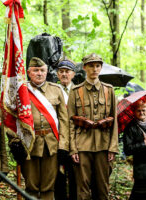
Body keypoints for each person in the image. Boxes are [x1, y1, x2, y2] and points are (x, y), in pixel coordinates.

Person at [68, 53, 118, 199]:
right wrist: (73, 149)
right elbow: (70, 122)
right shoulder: (76, 91)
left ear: (101, 68)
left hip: (104, 145)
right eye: (91, 66)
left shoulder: (109, 90)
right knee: (82, 189)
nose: (94, 69)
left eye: (97, 66)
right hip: (82, 145)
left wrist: (113, 148)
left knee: (102, 189)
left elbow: (114, 121)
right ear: (84, 68)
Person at [23, 57, 69, 199]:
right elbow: (13, 118)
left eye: (42, 70)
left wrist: (63, 145)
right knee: (31, 185)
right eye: (35, 70)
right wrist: (15, 142)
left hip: (52, 144)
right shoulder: (22, 91)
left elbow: (64, 120)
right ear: (29, 72)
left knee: (48, 186)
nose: (39, 73)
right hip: (29, 144)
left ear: (47, 72)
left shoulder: (56, 90)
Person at [55, 58, 77, 200]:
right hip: (58, 140)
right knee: (59, 177)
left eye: (67, 71)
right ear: (57, 74)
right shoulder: (52, 90)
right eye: (61, 71)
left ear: (73, 74)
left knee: (76, 177)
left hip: (77, 141)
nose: (64, 74)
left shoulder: (80, 90)